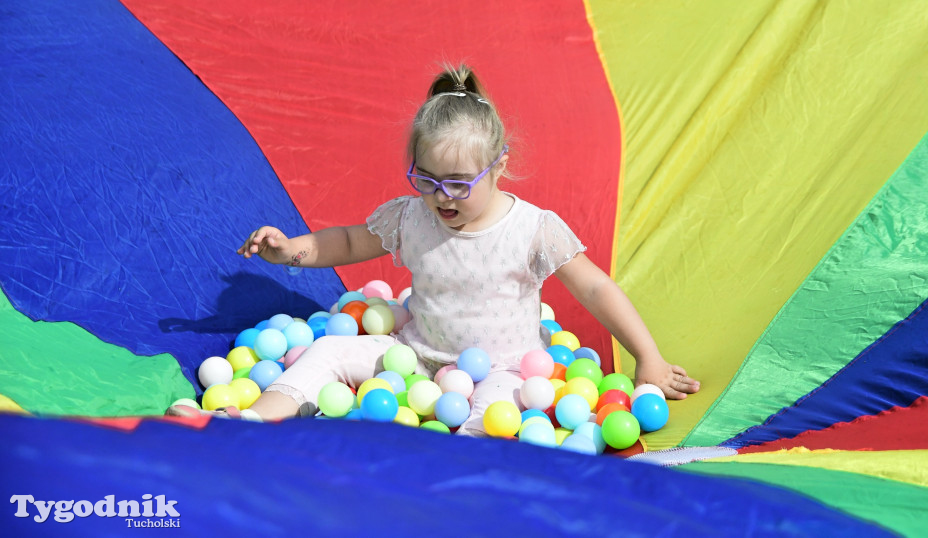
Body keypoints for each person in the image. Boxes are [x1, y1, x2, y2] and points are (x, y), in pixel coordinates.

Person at [175, 63, 698, 433]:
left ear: (500, 167)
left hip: (508, 369)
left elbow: (594, 287)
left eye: (458, 183)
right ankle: (246, 422)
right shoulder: (411, 216)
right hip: (417, 357)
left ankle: (456, 478)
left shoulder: (533, 228)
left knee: (498, 412)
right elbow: (350, 240)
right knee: (328, 349)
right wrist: (290, 250)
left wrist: (646, 357)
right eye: (426, 180)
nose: (441, 198)